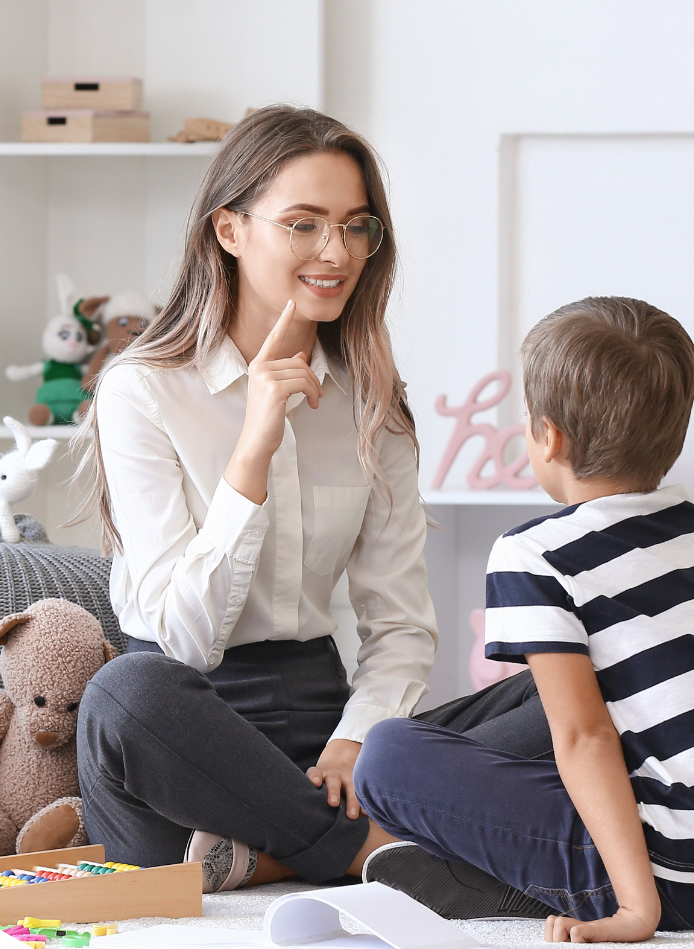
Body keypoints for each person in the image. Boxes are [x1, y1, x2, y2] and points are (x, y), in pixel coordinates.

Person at [72, 105, 556, 899]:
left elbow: (399, 624)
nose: (337, 252)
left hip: (323, 733)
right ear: (229, 230)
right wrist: (253, 446)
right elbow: (183, 641)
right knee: (124, 694)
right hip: (187, 738)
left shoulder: (372, 402)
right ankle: (377, 846)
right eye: (303, 224)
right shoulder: (143, 391)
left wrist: (359, 737)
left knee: (584, 676)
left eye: (356, 225)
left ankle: (279, 853)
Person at [354, 297, 694, 942]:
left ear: (549, 436)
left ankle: (511, 881)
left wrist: (637, 910)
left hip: (693, 880)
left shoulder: (532, 554)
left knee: (386, 758)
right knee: (534, 694)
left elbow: (584, 740)